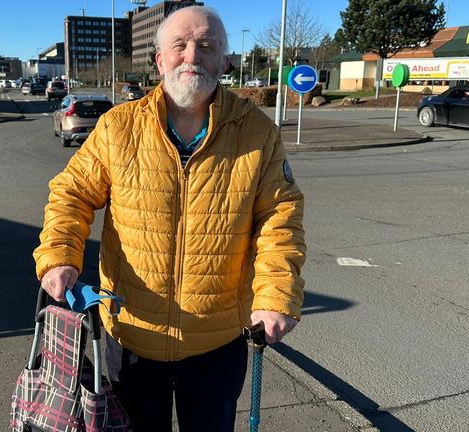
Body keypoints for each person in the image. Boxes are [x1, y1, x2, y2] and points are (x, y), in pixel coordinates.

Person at [33, 6, 305, 432]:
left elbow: (279, 218)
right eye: (179, 45)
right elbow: (72, 193)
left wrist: (276, 295)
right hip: (132, 338)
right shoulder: (118, 127)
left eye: (207, 45)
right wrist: (58, 254)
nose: (192, 55)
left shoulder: (256, 131)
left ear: (224, 61)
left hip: (217, 342)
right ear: (160, 60)